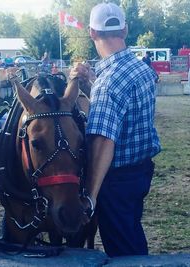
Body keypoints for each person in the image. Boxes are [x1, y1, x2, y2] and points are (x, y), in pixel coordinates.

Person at [70, 2, 161, 257]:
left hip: (116, 179)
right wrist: (91, 82)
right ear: (125, 30)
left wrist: (90, 197)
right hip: (140, 171)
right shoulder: (140, 69)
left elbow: (103, 141)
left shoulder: (109, 82)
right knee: (131, 230)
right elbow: (121, 105)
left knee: (124, 249)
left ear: (92, 33)